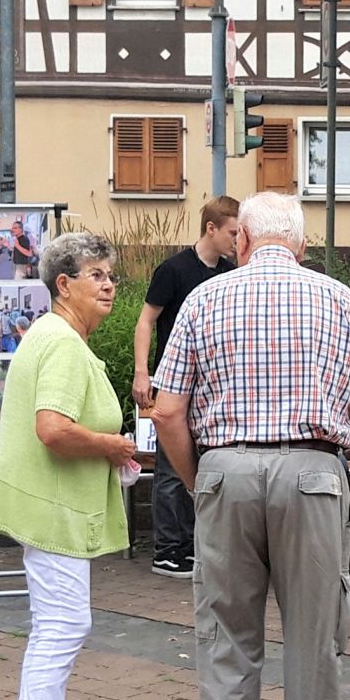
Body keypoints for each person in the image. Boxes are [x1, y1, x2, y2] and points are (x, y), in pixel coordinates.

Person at [151, 191, 350, 700]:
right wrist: (336, 426)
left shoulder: (204, 300)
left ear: (243, 242)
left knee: (228, 646)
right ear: (301, 245)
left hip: (225, 471)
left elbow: (168, 410)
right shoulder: (339, 299)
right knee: (315, 650)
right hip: (313, 475)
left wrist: (195, 476)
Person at [0, 231, 135, 700]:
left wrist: (104, 448)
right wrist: (111, 444)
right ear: (63, 284)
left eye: (111, 274)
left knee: (57, 626)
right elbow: (53, 428)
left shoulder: (54, 336)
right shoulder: (63, 344)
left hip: (48, 506)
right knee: (62, 628)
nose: (108, 284)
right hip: (52, 510)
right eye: (95, 274)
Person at [132, 196, 240, 579]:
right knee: (169, 468)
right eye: (232, 232)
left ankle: (194, 544)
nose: (237, 239)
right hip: (174, 381)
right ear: (211, 228)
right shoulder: (173, 269)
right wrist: (142, 372)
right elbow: (146, 321)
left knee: (203, 464)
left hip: (210, 384)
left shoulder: (229, 272)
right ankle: (167, 548)